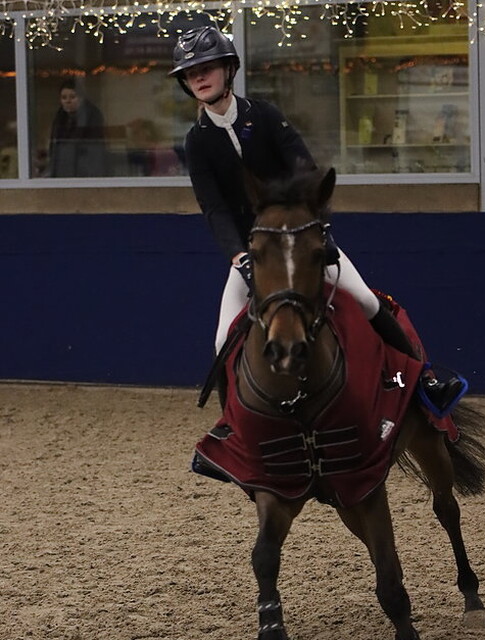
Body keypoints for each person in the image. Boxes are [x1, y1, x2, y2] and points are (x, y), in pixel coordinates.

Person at [169, 26, 466, 416]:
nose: (200, 78)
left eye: (207, 68)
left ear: (229, 69)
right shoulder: (197, 141)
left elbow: (304, 167)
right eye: (192, 74)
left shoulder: (266, 115)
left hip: (299, 238)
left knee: (363, 299)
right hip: (254, 252)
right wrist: (238, 256)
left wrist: (308, 222)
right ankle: (232, 425)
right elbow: (214, 207)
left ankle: (425, 381)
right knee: (224, 337)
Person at [49, 78, 107, 177]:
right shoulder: (60, 116)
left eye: (72, 97)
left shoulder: (90, 115)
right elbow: (55, 143)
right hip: (63, 170)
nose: (68, 101)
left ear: (81, 98)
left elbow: (93, 148)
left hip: (85, 171)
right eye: (64, 98)